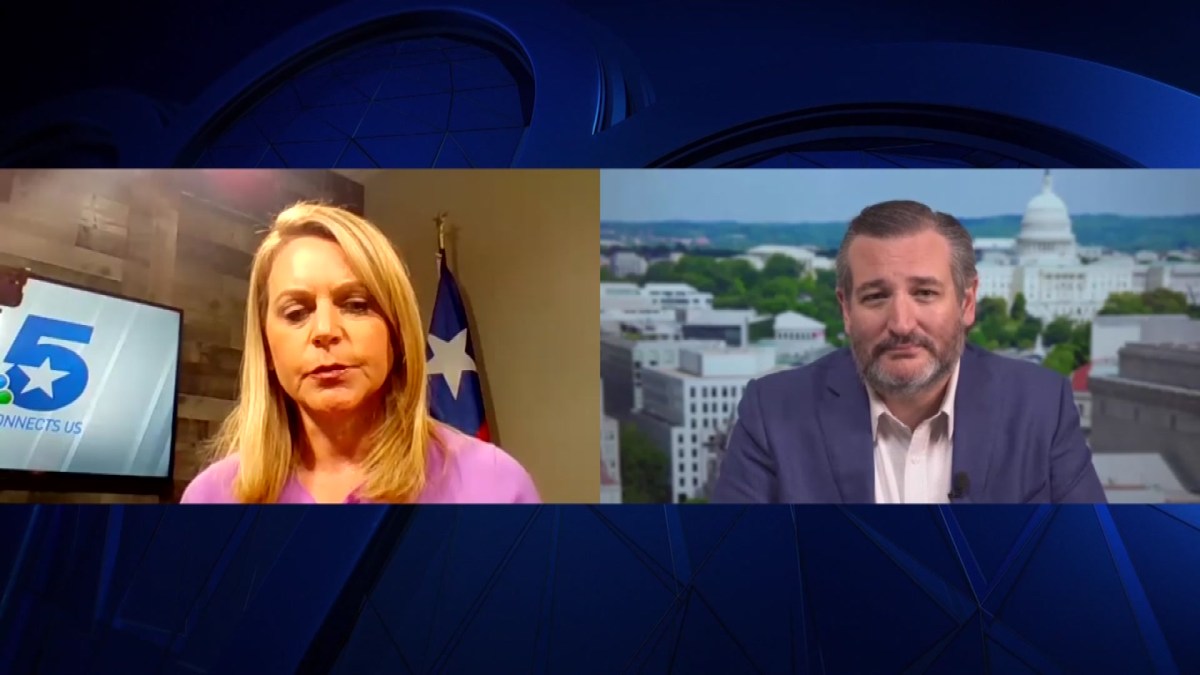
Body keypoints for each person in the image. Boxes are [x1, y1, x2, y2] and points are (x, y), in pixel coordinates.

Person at [713, 200, 1105, 504]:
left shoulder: (1040, 406)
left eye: (925, 293)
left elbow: (1091, 564)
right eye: (876, 296)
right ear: (846, 309)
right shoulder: (773, 412)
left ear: (967, 303)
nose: (901, 323)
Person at [181, 202, 540, 504]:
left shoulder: (495, 485)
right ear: (267, 347)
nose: (325, 331)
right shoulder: (210, 497)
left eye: (355, 304)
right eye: (296, 312)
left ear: (396, 333)